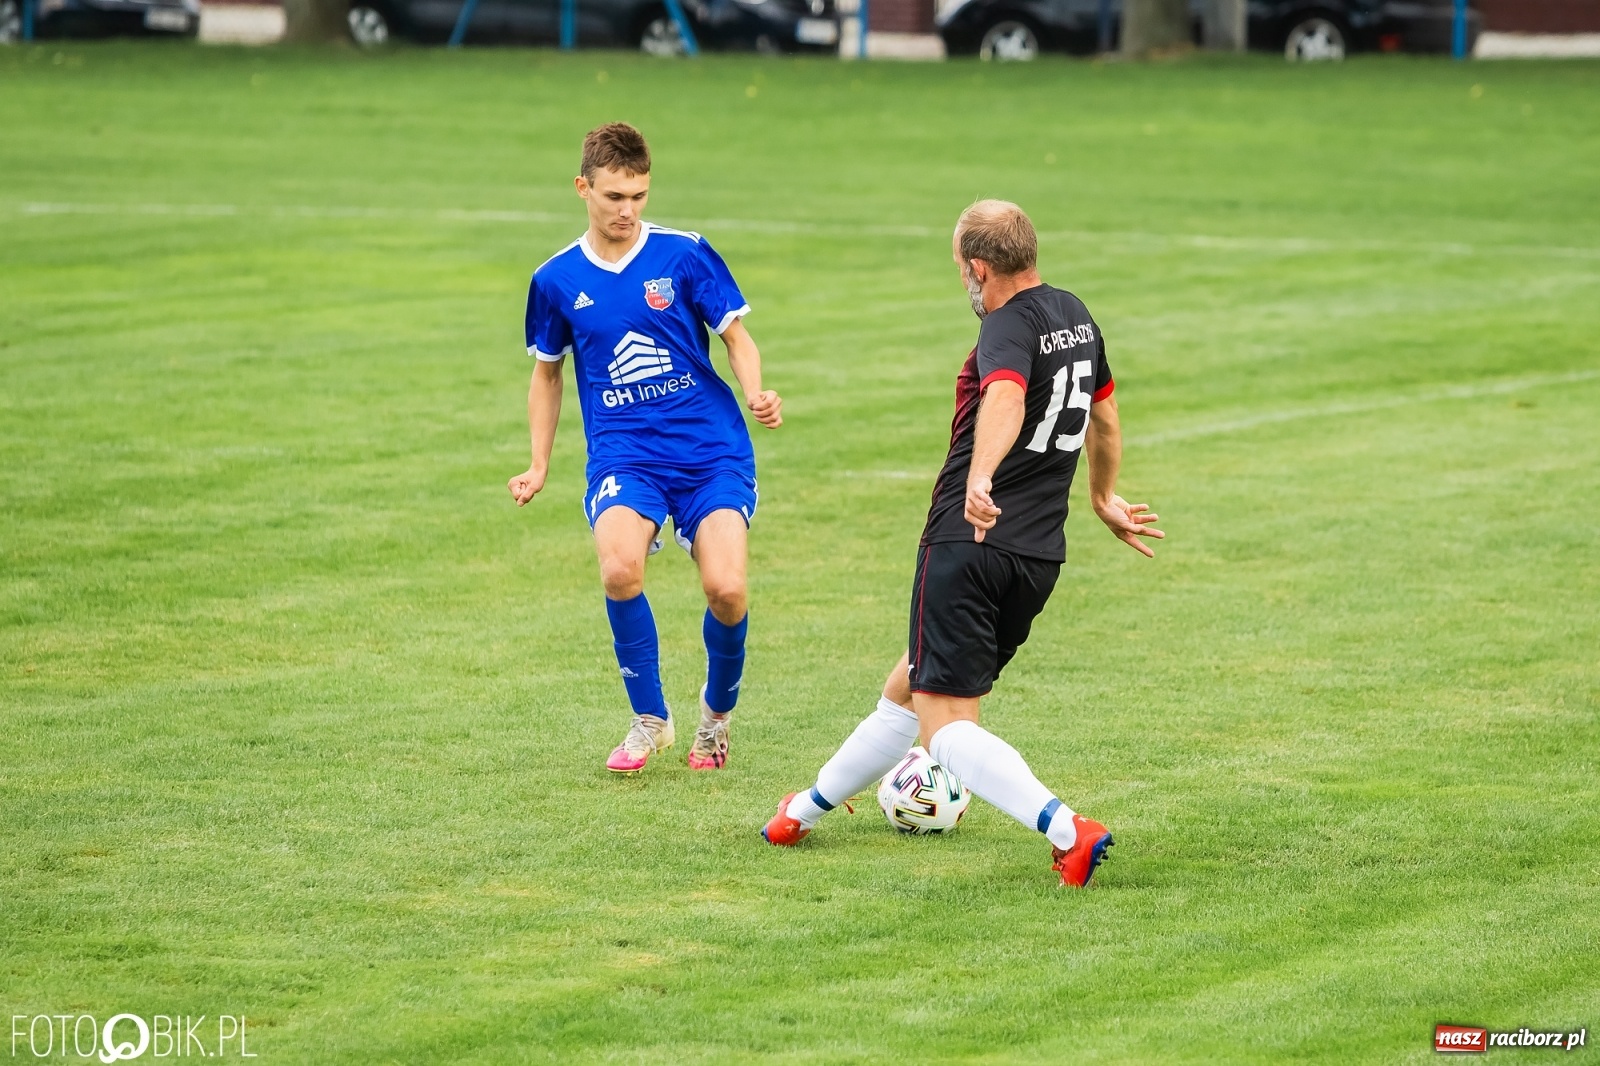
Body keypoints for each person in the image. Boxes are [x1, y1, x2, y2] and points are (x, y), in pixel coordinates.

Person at [762, 200, 1162, 887]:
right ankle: (800, 812)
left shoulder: (1005, 328)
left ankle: (1070, 831)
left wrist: (980, 477)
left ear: (979, 269)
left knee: (942, 728)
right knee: (912, 685)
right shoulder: (1077, 315)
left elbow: (1004, 397)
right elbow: (1105, 412)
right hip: (1037, 558)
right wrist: (1101, 496)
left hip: (967, 542)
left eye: (960, 271)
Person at [509, 122, 783, 774]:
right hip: (624, 454)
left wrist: (756, 391)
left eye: (639, 195)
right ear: (583, 188)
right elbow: (547, 373)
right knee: (618, 570)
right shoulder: (555, 280)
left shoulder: (684, 255)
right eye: (613, 197)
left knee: (727, 588)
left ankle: (715, 718)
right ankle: (650, 720)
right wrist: (539, 463)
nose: (628, 210)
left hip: (709, 451)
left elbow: (737, 337)